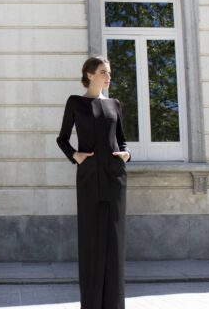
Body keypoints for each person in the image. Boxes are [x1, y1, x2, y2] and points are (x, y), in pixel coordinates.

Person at [56, 56, 131, 309]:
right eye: (103, 72)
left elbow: (122, 140)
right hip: (89, 178)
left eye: (109, 72)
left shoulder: (114, 104)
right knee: (91, 243)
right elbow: (62, 138)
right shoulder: (75, 103)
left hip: (114, 178)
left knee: (114, 243)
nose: (108, 76)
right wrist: (74, 156)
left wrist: (126, 154)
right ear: (89, 75)